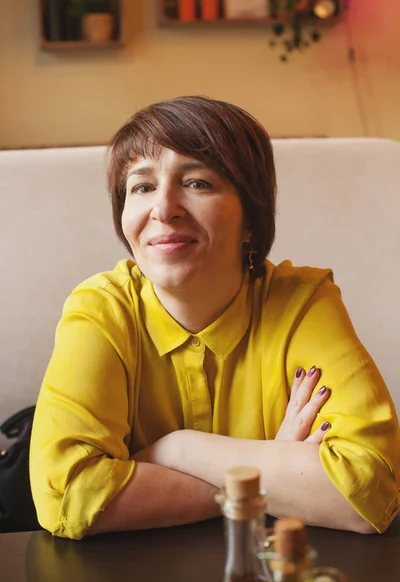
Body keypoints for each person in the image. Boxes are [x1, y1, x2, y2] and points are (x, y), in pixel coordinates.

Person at [30, 96, 400, 540]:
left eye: (198, 183)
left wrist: (174, 450)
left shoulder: (304, 303)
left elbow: (370, 492)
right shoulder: (100, 309)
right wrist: (267, 472)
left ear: (250, 220)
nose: (163, 209)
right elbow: (68, 497)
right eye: (142, 187)